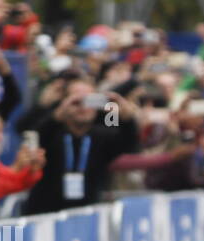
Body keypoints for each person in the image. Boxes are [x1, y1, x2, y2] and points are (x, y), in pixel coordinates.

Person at [23, 80, 139, 215]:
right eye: (76, 102)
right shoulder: (52, 132)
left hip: (88, 214)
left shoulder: (101, 135)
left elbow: (127, 142)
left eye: (89, 101)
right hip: (45, 212)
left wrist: (124, 116)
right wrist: (57, 114)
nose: (83, 107)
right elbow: (30, 134)